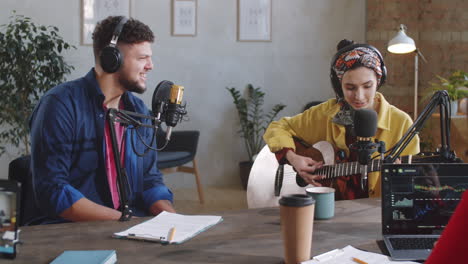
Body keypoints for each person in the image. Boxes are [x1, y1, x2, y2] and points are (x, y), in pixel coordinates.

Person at [29, 16, 175, 224]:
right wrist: (127, 221)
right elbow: (53, 190)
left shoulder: (139, 111)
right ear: (112, 58)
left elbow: (149, 180)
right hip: (72, 229)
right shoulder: (60, 105)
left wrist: (171, 217)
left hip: (129, 225)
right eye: (142, 58)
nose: (151, 66)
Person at [263, 39, 420, 200]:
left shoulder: (401, 123)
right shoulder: (324, 114)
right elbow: (277, 127)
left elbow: (412, 188)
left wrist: (400, 177)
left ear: (379, 81)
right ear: (339, 86)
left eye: (367, 86)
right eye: (350, 88)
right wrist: (293, 158)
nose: (359, 96)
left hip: (374, 213)